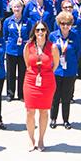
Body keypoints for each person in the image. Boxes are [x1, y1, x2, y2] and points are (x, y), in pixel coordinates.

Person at [22, 21, 58, 151]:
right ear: (34, 32)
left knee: (44, 110)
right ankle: (32, 140)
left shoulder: (52, 47)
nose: (40, 32)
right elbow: (27, 63)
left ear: (47, 31)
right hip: (31, 81)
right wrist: (36, 73)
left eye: (43, 30)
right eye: (38, 30)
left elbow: (56, 64)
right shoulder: (28, 46)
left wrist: (45, 73)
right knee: (30, 111)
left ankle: (41, 139)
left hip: (47, 81)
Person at [48, 11, 81, 128]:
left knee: (66, 97)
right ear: (59, 24)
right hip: (56, 70)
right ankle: (53, 118)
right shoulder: (53, 36)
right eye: (63, 23)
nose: (65, 26)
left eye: (68, 24)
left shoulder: (75, 36)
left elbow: (78, 53)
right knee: (55, 96)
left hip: (70, 71)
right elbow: (49, 52)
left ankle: (66, 120)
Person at [2, 0, 31, 101]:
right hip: (11, 50)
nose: (17, 9)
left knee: (23, 73)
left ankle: (21, 94)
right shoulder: (7, 21)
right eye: (15, 7)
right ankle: (10, 93)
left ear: (22, 8)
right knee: (10, 73)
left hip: (23, 51)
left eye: (19, 6)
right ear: (12, 8)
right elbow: (5, 36)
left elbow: (30, 35)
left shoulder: (27, 21)